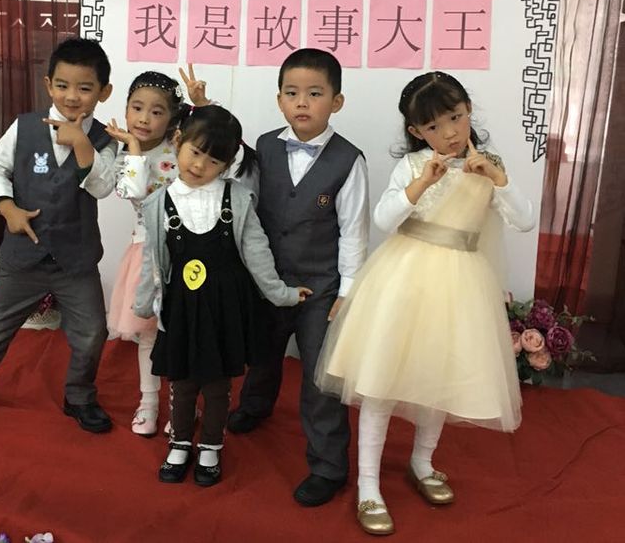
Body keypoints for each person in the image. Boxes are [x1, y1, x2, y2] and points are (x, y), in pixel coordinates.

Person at [315, 71, 535, 535]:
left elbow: (524, 220)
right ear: (417, 131)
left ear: (468, 110)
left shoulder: (489, 165)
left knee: (439, 380)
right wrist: (420, 184)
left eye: (455, 117)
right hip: (404, 282)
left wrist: (499, 179)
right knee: (380, 381)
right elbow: (384, 219)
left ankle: (422, 462)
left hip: (460, 288)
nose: (449, 132)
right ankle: (369, 484)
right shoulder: (414, 165)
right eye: (434, 126)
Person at [0, 37, 118, 437]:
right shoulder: (25, 126)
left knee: (92, 333)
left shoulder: (104, 138)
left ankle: (79, 396)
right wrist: (7, 207)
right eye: (62, 85)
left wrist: (82, 143)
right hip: (23, 256)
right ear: (48, 85)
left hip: (75, 261)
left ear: (104, 92)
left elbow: (103, 188)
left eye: (85, 88)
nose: (72, 96)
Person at [133, 105, 311, 487]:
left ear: (228, 164)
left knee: (217, 384)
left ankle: (211, 446)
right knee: (181, 382)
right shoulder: (158, 203)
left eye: (214, 160)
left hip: (225, 308)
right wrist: (143, 302)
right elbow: (154, 261)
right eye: (195, 152)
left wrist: (281, 293)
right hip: (182, 308)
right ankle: (180, 443)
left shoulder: (239, 199)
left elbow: (257, 252)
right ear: (178, 142)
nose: (200, 165)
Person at [227, 48, 370, 507]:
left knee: (320, 375)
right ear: (279, 100)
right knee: (262, 352)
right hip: (269, 278)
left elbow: (354, 232)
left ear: (337, 101)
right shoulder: (265, 146)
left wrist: (348, 291)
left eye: (314, 93)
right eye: (292, 93)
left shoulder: (349, 160)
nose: (302, 102)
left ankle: (329, 466)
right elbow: (246, 205)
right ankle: (254, 406)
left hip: (321, 287)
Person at [104, 69, 199, 437]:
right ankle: (148, 403)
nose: (144, 118)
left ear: (172, 117)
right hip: (146, 253)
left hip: (187, 251)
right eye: (137, 108)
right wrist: (131, 147)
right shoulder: (124, 154)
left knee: (182, 334)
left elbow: (220, 156)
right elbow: (133, 193)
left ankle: (182, 405)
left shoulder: (181, 148)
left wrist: (203, 105)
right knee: (147, 334)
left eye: (156, 111)